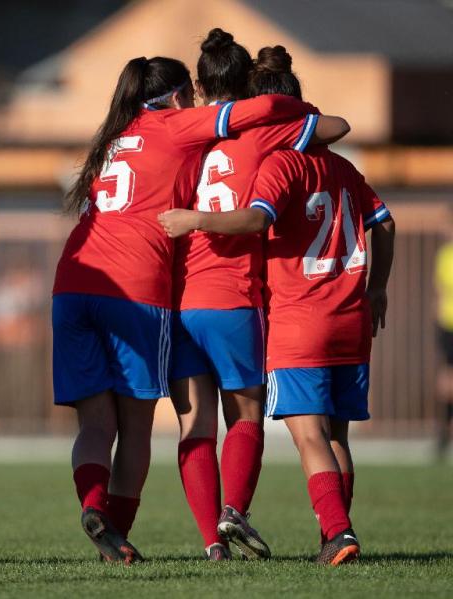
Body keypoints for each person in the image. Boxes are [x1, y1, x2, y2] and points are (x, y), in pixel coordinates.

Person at [53, 54, 318, 563]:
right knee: (134, 427)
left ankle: (96, 510)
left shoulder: (114, 137)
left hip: (72, 283)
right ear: (178, 96)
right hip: (133, 289)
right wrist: (297, 100)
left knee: (93, 425)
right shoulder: (176, 123)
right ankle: (120, 530)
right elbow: (253, 111)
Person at [158, 45, 395, 565]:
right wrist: (377, 287)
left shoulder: (189, 135)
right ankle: (315, 527)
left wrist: (191, 220)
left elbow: (257, 218)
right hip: (330, 312)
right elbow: (382, 215)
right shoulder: (319, 161)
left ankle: (231, 538)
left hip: (229, 304)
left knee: (207, 425)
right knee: (324, 432)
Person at [435, 233, 453, 459]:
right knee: (447, 379)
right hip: (447, 323)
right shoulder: (445, 255)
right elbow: (439, 291)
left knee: (447, 378)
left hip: (445, 322)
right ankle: (444, 431)